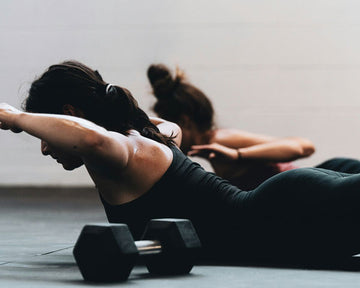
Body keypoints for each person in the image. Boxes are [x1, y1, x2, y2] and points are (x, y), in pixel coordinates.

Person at [2, 60, 360, 263]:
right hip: (290, 221)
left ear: (69, 114)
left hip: (287, 216)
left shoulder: (123, 152)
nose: (45, 148)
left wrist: (16, 118)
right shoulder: (154, 133)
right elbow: (101, 130)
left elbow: (91, 137)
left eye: (45, 134)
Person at [147, 64, 360, 190]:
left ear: (184, 121)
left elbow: (303, 147)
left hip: (331, 178)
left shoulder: (221, 140)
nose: (165, 136)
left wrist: (238, 155)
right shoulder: (212, 151)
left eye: (167, 127)